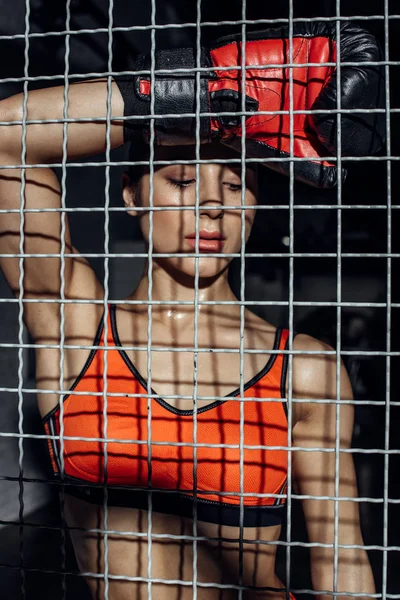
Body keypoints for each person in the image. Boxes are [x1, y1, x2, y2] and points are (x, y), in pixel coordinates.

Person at [0, 22, 383, 600]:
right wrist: (198, 93)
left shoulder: (304, 370)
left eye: (236, 185)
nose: (211, 204)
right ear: (130, 195)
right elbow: (8, 133)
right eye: (181, 178)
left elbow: (344, 568)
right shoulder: (74, 326)